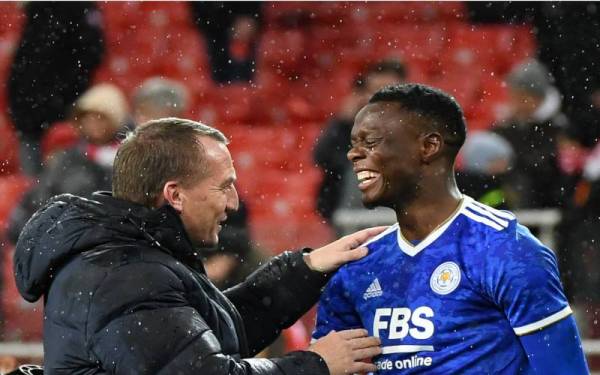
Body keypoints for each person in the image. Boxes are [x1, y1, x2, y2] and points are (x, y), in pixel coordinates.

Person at [13, 118, 384, 374]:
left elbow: (208, 336)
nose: (234, 203)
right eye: (224, 185)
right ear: (174, 195)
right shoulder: (123, 273)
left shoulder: (131, 256)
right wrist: (317, 363)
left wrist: (307, 268)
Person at [312, 84, 589, 373]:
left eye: (370, 142)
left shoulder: (506, 250)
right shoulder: (358, 265)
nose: (353, 155)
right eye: (354, 143)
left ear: (429, 146)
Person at [7, 83, 129, 244]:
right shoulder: (67, 158)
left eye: (101, 117)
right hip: (65, 242)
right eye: (88, 117)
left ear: (115, 121)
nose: (93, 123)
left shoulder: (129, 161)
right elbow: (40, 198)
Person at [8, 2, 104, 176]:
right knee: (33, 191)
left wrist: (61, 99)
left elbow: (92, 54)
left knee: (66, 183)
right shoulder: (36, 10)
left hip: (62, 117)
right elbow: (25, 64)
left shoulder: (78, 8)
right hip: (30, 118)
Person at [314, 59, 407, 223]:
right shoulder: (350, 126)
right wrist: (342, 122)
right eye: (374, 91)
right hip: (350, 214)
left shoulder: (415, 125)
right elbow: (322, 158)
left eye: (389, 91)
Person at [492, 58, 571, 209]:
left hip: (547, 206)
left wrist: (510, 164)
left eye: (520, 97)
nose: (514, 103)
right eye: (512, 96)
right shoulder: (506, 127)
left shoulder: (559, 128)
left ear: (536, 97)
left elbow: (546, 167)